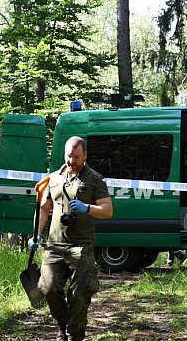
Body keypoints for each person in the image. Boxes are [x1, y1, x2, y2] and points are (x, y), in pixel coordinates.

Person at [28, 136, 113, 341]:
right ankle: (61, 325)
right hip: (55, 246)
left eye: (76, 156)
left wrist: (87, 208)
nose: (71, 161)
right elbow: (44, 209)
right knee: (47, 287)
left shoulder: (94, 179)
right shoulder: (53, 178)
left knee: (79, 294)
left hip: (81, 246)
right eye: (69, 156)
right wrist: (36, 235)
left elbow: (108, 211)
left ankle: (75, 335)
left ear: (84, 155)